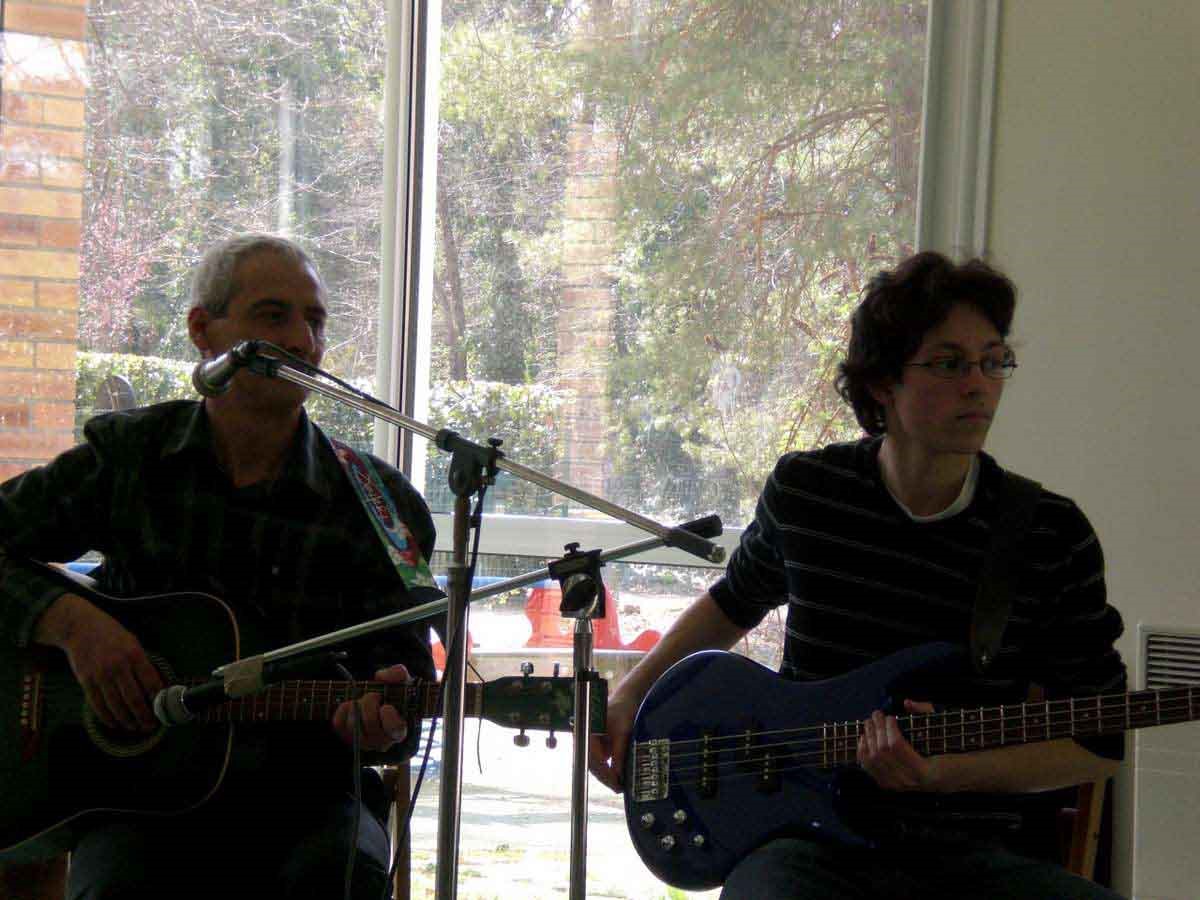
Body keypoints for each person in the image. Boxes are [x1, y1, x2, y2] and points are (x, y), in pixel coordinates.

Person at [590, 251, 1128, 899]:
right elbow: (732, 603)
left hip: (974, 855)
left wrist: (940, 774)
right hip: (806, 848)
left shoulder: (1050, 534)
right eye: (950, 363)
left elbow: (1096, 744)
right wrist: (630, 696)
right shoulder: (808, 493)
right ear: (881, 383)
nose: (979, 385)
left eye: (993, 361)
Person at [0, 233, 441, 899]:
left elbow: (404, 679)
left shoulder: (380, 504)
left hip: (310, 798)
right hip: (139, 798)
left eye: (315, 321)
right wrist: (72, 626)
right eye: (273, 316)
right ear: (203, 331)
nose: (302, 342)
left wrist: (382, 722)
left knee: (340, 879)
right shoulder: (132, 456)